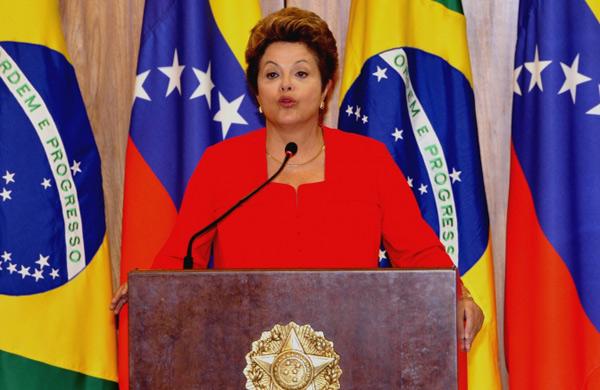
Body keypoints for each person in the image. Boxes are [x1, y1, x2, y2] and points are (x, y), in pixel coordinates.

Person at [111, 6, 483, 351]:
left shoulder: (369, 162)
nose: (285, 85)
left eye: (301, 73)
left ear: (325, 90)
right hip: (243, 355)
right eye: (272, 74)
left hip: (353, 352)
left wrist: (458, 297)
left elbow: (417, 252)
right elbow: (183, 255)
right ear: (257, 92)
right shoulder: (221, 165)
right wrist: (149, 290)